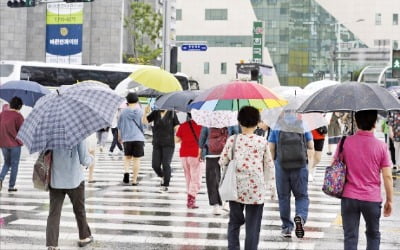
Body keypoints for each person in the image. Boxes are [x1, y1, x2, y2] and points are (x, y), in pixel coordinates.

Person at [218, 106, 275, 250]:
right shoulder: (262, 141)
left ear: (239, 122)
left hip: (235, 188)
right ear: (257, 122)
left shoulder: (233, 140)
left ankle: (233, 248)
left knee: (234, 223)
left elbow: (222, 161)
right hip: (256, 190)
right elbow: (269, 165)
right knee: (253, 226)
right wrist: (271, 186)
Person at [337, 110, 393, 250]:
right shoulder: (381, 146)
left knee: (350, 236)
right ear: (375, 123)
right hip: (371, 198)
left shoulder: (345, 142)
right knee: (373, 235)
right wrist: (390, 200)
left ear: (356, 121)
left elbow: (336, 165)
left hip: (349, 197)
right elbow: (387, 176)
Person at [268, 112, 313, 239]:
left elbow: (271, 148)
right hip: (300, 166)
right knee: (302, 196)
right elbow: (311, 146)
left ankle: (287, 228)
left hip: (281, 166)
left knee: (283, 197)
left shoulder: (277, 125)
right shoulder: (303, 124)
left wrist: (272, 165)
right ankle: (301, 217)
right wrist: (309, 165)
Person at [46, 140, 94, 250]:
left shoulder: (50, 134)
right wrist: (92, 158)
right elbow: (84, 160)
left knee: (54, 213)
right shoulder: (77, 134)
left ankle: (52, 244)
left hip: (55, 180)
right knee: (79, 210)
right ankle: (84, 237)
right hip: (75, 180)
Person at [199, 125, 239, 215]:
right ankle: (227, 203)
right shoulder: (230, 119)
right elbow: (236, 135)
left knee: (212, 180)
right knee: (228, 178)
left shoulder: (208, 120)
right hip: (227, 152)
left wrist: (200, 151)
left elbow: (203, 136)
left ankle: (215, 205)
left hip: (211, 152)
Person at [144, 106, 180, 192]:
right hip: (157, 143)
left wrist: (177, 136)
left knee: (166, 164)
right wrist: (145, 112)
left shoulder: (172, 113)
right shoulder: (155, 113)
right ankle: (163, 175)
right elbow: (145, 121)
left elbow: (177, 126)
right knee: (155, 165)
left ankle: (166, 184)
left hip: (169, 143)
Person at [175, 113, 203, 209]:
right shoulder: (202, 126)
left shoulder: (183, 125)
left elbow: (177, 140)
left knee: (188, 177)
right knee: (196, 178)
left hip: (184, 154)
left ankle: (190, 197)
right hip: (196, 154)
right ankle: (191, 198)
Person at [118, 92, 146, 185]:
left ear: (127, 101)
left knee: (127, 157)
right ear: (137, 100)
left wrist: (120, 137)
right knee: (136, 160)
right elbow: (144, 125)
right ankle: (134, 180)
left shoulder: (123, 112)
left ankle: (126, 172)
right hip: (138, 138)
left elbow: (119, 126)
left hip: (127, 138)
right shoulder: (140, 111)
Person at [0, 97, 24, 192]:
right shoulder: (18, 116)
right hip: (14, 145)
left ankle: (1, 178)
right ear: (19, 106)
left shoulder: (2, 114)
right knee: (14, 164)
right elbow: (22, 131)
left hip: (3, 143)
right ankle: (11, 186)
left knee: (7, 163)